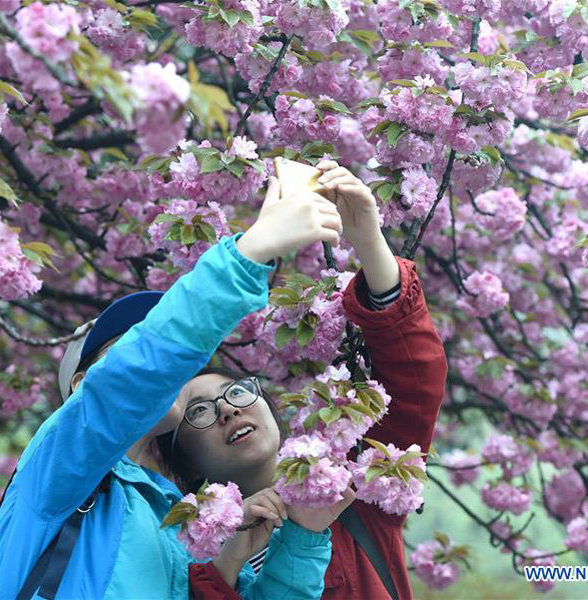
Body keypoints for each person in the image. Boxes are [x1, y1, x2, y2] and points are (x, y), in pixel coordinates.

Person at [0, 175, 355, 600]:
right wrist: (249, 254)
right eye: (129, 344)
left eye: (149, 335)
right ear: (84, 386)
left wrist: (302, 537)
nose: (164, 366)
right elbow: (135, 375)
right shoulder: (58, 467)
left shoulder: (177, 522)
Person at [156, 160, 449, 600]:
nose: (228, 409)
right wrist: (227, 562)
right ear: (188, 465)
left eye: (236, 391)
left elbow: (416, 383)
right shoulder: (181, 561)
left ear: (274, 415)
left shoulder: (352, 493)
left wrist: (368, 239)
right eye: (199, 411)